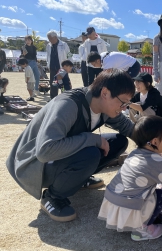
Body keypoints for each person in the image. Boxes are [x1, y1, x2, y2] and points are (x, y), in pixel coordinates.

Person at [6, 69, 136, 222]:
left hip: (58, 156)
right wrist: (92, 139)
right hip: (33, 164)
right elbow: (45, 150)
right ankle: (52, 197)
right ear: (105, 93)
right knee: (91, 153)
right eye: (123, 102)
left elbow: (128, 128)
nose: (124, 108)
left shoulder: (104, 107)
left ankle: (78, 179)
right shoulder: (68, 104)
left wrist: (152, 141)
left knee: (118, 142)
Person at [98, 115, 162, 241]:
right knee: (160, 195)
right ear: (155, 142)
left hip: (113, 199)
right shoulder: (156, 161)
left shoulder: (135, 153)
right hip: (129, 205)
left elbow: (148, 170)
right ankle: (142, 230)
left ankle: (127, 221)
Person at [46, 30, 71, 100]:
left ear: (55, 37)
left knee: (63, 83)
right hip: (52, 67)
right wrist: (48, 65)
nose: (49, 40)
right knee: (53, 83)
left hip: (62, 68)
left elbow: (69, 54)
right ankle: (53, 98)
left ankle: (64, 97)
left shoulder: (64, 44)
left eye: (50, 38)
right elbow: (47, 56)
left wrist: (69, 65)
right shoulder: (48, 46)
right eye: (48, 39)